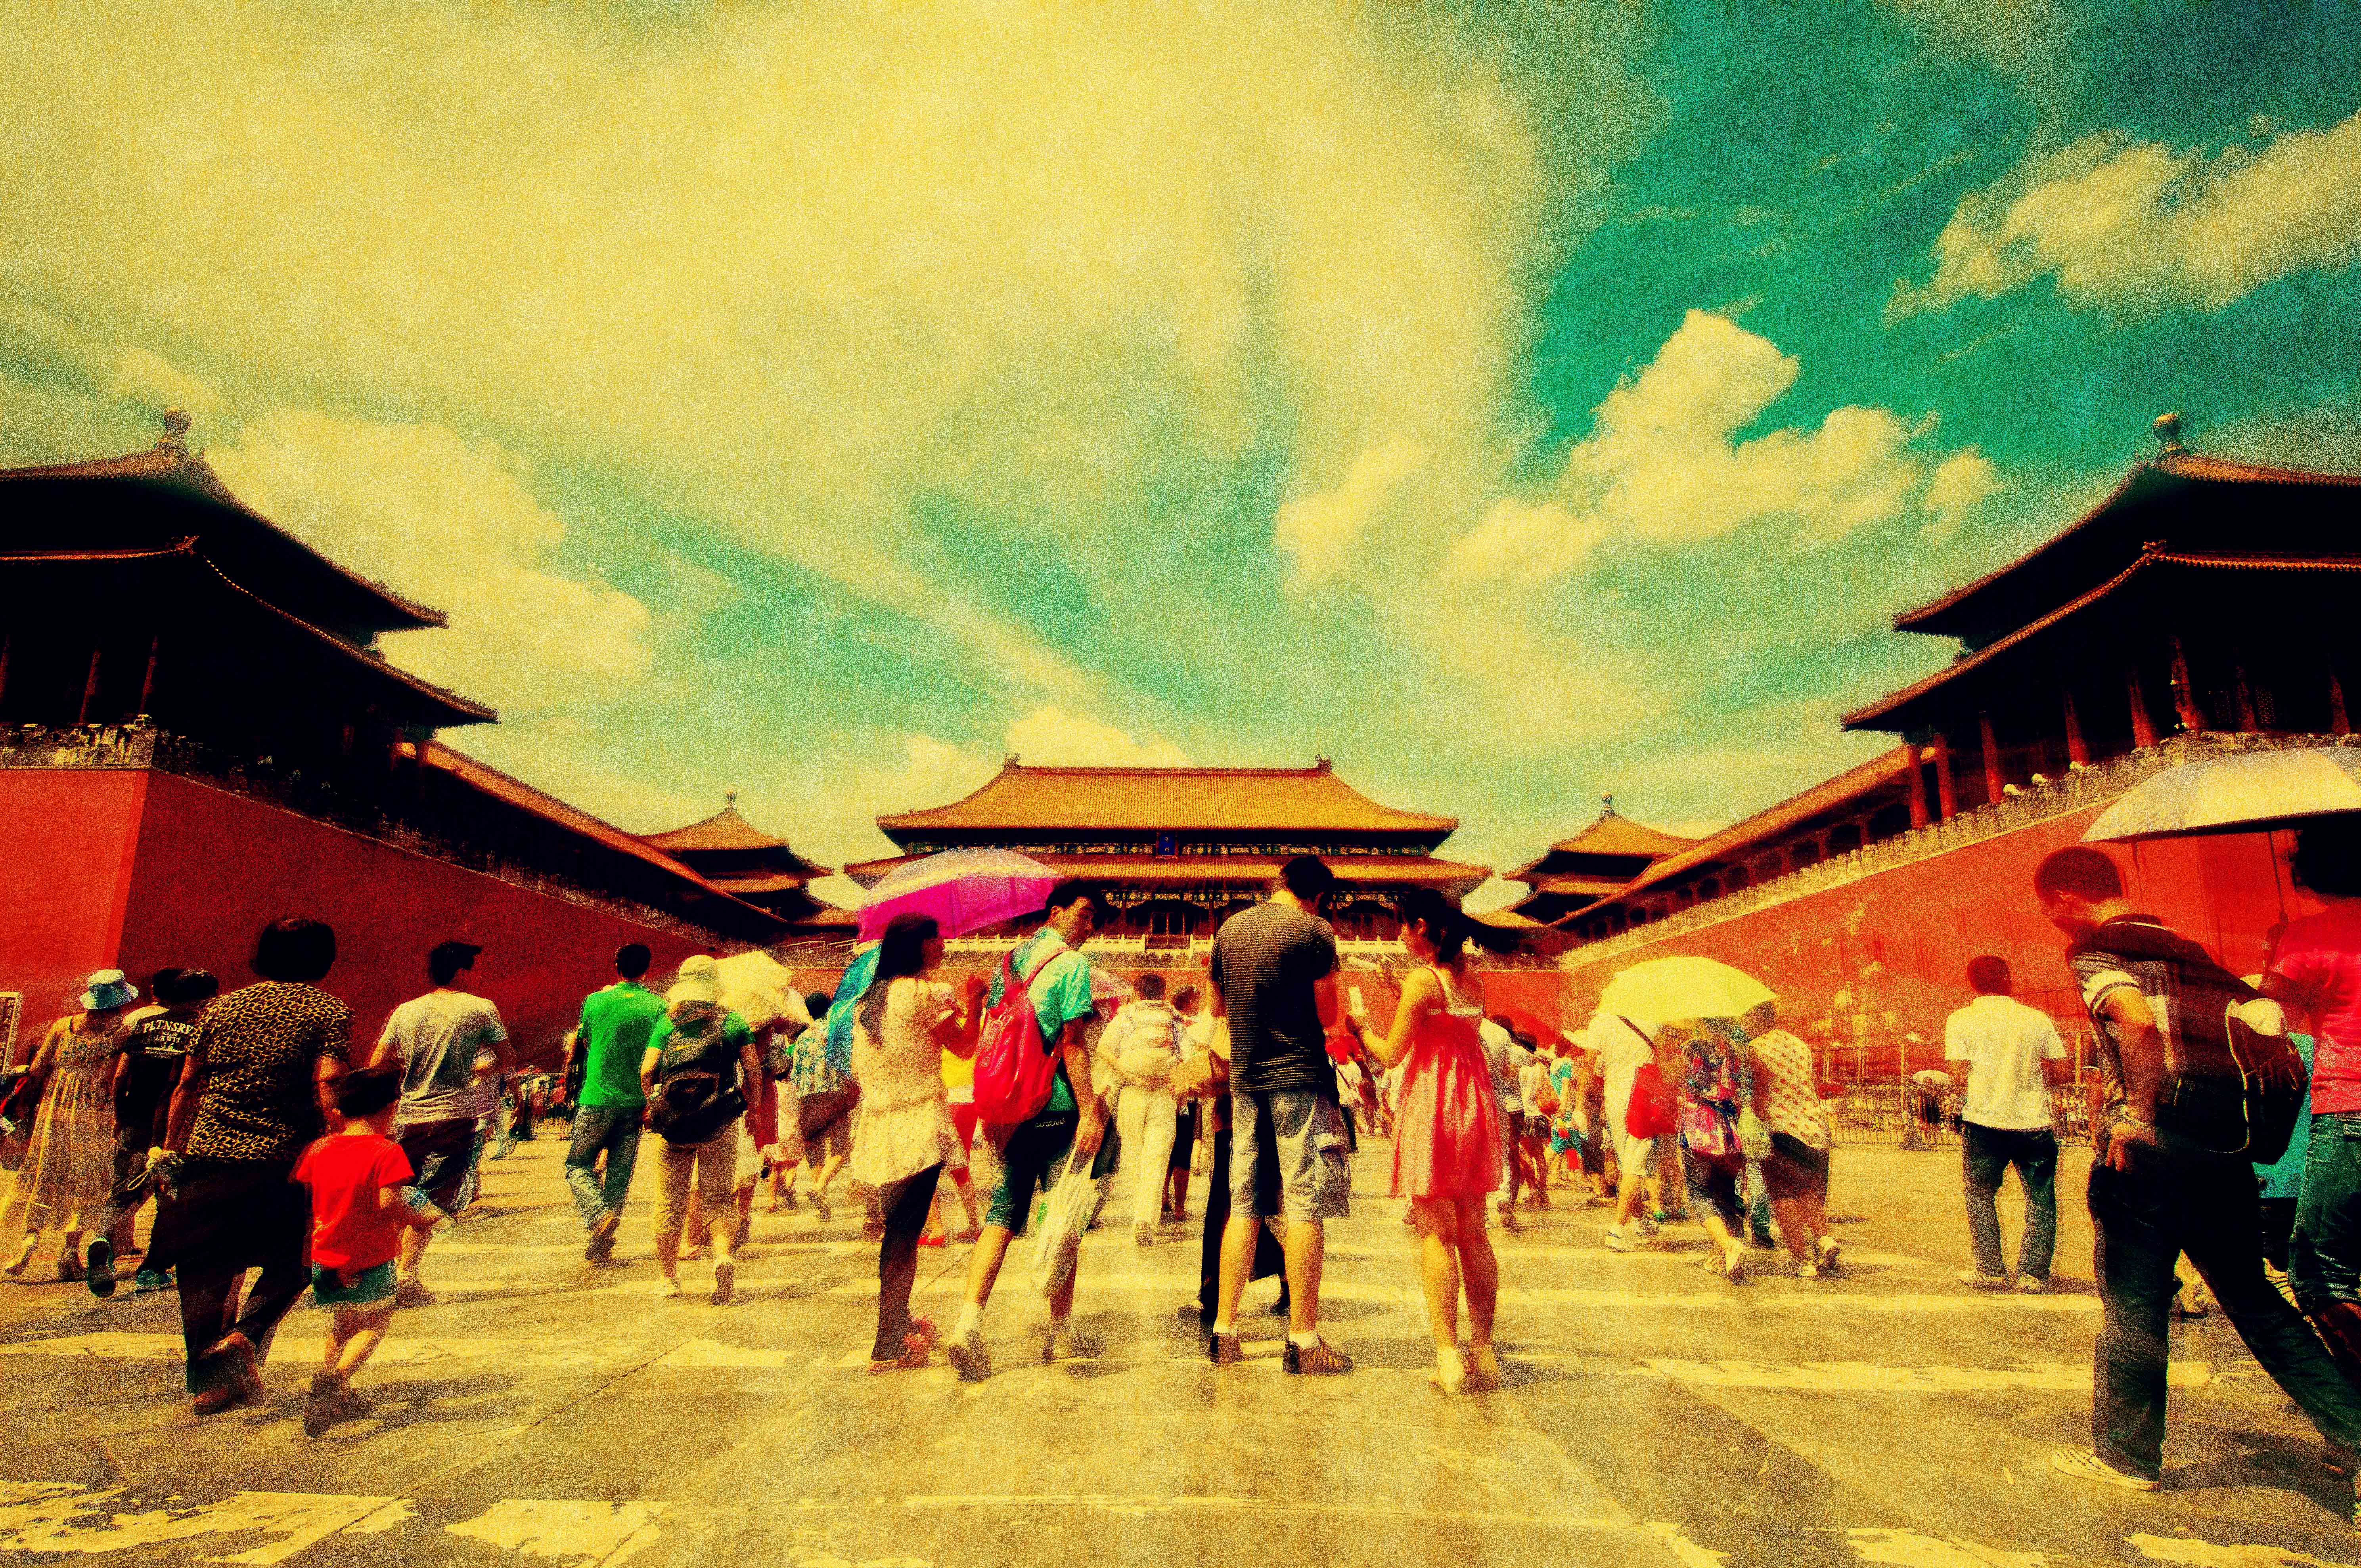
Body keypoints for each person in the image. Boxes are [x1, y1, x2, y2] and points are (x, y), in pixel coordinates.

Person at [2034, 845, 2361, 1497]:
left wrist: (2136, 1111)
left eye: (2049, 909)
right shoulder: (2193, 954)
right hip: (2223, 1151)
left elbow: (2134, 1018)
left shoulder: (2098, 952)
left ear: (2065, 899)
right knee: (2255, 1301)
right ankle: (2354, 1429)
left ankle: (2127, 1457)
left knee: (2133, 1307)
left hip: (2148, 1153)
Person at [149, 917, 351, 1415]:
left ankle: (212, 1386)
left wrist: (173, 1148)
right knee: (296, 1260)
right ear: (322, 959)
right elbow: (329, 1081)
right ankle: (248, 1331)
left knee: (204, 1274)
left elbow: (187, 1084)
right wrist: (342, 1137)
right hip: (282, 1158)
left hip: (207, 1155)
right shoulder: (328, 1009)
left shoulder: (220, 1007)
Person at [940, 883, 1113, 1379]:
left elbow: (994, 1033)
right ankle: (1060, 1333)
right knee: (1063, 1218)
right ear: (1056, 912)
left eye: (1096, 919)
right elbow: (1073, 1043)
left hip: (1010, 1105)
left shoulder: (1009, 961)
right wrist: (1090, 1112)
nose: (1090, 926)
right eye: (1083, 914)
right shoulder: (1072, 964)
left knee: (1002, 1212)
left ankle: (968, 1323)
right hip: (1055, 1102)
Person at [1351, 889, 1503, 1393]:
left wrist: (1358, 1029)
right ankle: (1484, 1350)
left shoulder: (1422, 979)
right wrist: (1403, 995)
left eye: (1401, 927)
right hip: (1473, 1103)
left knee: (1436, 1233)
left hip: (1433, 1104)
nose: (1397, 935)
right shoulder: (1474, 978)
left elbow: (1392, 1053)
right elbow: (1446, 1023)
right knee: (1475, 1233)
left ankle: (1448, 1355)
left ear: (1422, 926)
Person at [1208, 855, 1352, 1375]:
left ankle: (1225, 1331)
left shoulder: (1228, 930)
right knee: (1302, 1204)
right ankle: (1303, 1340)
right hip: (1298, 1079)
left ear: (1279, 883)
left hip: (1245, 1082)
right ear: (1318, 897)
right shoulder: (1314, 932)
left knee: (1243, 1204)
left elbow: (1218, 1006)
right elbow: (1328, 1014)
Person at [846, 915, 980, 1371]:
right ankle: (887, 1344)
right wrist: (977, 1002)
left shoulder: (871, 998)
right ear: (918, 946)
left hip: (881, 1122)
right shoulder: (922, 993)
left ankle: (899, 1322)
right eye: (934, 938)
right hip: (919, 1120)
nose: (941, 945)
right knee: (905, 1234)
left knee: (899, 1230)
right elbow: (964, 1046)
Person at [292, 1067, 444, 1436]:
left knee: (341, 1325)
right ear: (391, 1109)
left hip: (325, 1256)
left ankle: (339, 1395)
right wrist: (420, 1218)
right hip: (371, 1257)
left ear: (339, 1111)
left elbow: (307, 1202)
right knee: (376, 1322)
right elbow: (388, 1201)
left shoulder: (319, 1149)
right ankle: (339, 1376)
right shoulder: (386, 1151)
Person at [2263, 820, 2361, 1373]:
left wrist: (2275, 955)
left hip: (2349, 1107)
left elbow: (2268, 1019)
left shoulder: (2307, 936)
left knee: (2317, 1270)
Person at [369, 941, 513, 1308]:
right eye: (474, 968)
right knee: (432, 1200)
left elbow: (377, 1061)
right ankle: (405, 1278)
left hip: (409, 1117)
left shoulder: (405, 1011)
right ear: (462, 972)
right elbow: (507, 1056)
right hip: (455, 1116)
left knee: (401, 1193)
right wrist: (479, 1068)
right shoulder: (481, 1008)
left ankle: (381, 1273)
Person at [86, 967, 219, 1297]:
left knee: (120, 1192)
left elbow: (119, 1076)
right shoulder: (199, 1029)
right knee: (169, 1197)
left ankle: (102, 1241)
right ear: (200, 1000)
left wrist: (120, 1116)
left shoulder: (143, 1025)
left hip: (135, 1117)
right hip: (175, 1122)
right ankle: (153, 1269)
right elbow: (186, 1084)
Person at [1943, 954, 2068, 1291]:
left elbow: (1957, 1074)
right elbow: (2060, 1071)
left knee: (1980, 1195)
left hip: (1984, 1122)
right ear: (2008, 979)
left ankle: (1990, 1269)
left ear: (1972, 983)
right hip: (2034, 1123)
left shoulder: (1960, 1020)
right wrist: (2028, 1082)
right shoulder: (2036, 1019)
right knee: (2041, 1198)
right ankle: (2032, 1274)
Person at [1, 969, 136, 1281]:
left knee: (45, 1171)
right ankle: (68, 1253)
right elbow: (116, 1076)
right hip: (95, 1110)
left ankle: (29, 1241)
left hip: (55, 1107)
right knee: (86, 1179)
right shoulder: (121, 1032)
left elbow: (38, 1068)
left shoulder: (64, 1026)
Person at [641, 955, 760, 1304]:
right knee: (719, 1199)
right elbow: (752, 1070)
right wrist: (754, 1109)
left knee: (668, 1201)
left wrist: (654, 1104)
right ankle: (722, 1256)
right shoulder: (733, 1021)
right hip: (719, 1122)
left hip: (675, 1124)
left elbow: (647, 1070)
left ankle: (668, 1278)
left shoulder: (667, 1023)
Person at [565, 943, 667, 1262]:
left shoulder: (595, 1001)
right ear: (647, 969)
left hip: (596, 1097)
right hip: (635, 1102)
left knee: (577, 1166)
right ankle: (603, 1237)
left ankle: (597, 1216)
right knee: (619, 1176)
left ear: (616, 967)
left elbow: (585, 1041)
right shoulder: (658, 1007)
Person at [1742, 1001, 1841, 1277]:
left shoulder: (1757, 1048)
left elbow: (1761, 1094)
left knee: (1783, 1197)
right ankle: (1824, 1239)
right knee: (1805, 1190)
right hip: (1813, 1129)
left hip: (1781, 1130)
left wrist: (1755, 1125)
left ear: (1755, 1018)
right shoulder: (1800, 1046)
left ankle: (1803, 1260)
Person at [1101, 972, 1185, 1246]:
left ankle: (1140, 1216)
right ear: (1163, 992)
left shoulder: (1126, 1016)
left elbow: (1105, 1049)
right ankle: (1145, 1220)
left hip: (1132, 1092)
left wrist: (1129, 1074)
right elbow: (1186, 1057)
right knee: (1157, 1157)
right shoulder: (1174, 1019)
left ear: (1137, 992)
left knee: (1134, 1156)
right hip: (1164, 1093)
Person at [1670, 1017, 1753, 1283]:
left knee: (1699, 1193)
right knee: (1724, 1192)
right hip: (1729, 1129)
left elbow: (1674, 1080)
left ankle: (1728, 1245)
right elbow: (1741, 1088)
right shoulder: (1734, 1050)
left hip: (1698, 1128)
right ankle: (1721, 1255)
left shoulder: (1691, 1048)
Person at [1594, 1010, 1665, 1252]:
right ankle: (1618, 1227)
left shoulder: (1604, 1020)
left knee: (1628, 1164)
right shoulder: (1655, 1021)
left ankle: (1638, 1220)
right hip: (1643, 1098)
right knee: (1637, 1166)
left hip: (1614, 1098)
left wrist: (1582, 1106)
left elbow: (1591, 1067)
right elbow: (1667, 1066)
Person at [1478, 1014, 1530, 1226]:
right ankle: (1503, 1196)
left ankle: (1482, 1211)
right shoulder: (1500, 1034)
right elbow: (1511, 1071)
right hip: (1497, 1098)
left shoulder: (1462, 1028)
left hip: (1469, 1095)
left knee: (1474, 1154)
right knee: (1502, 1151)